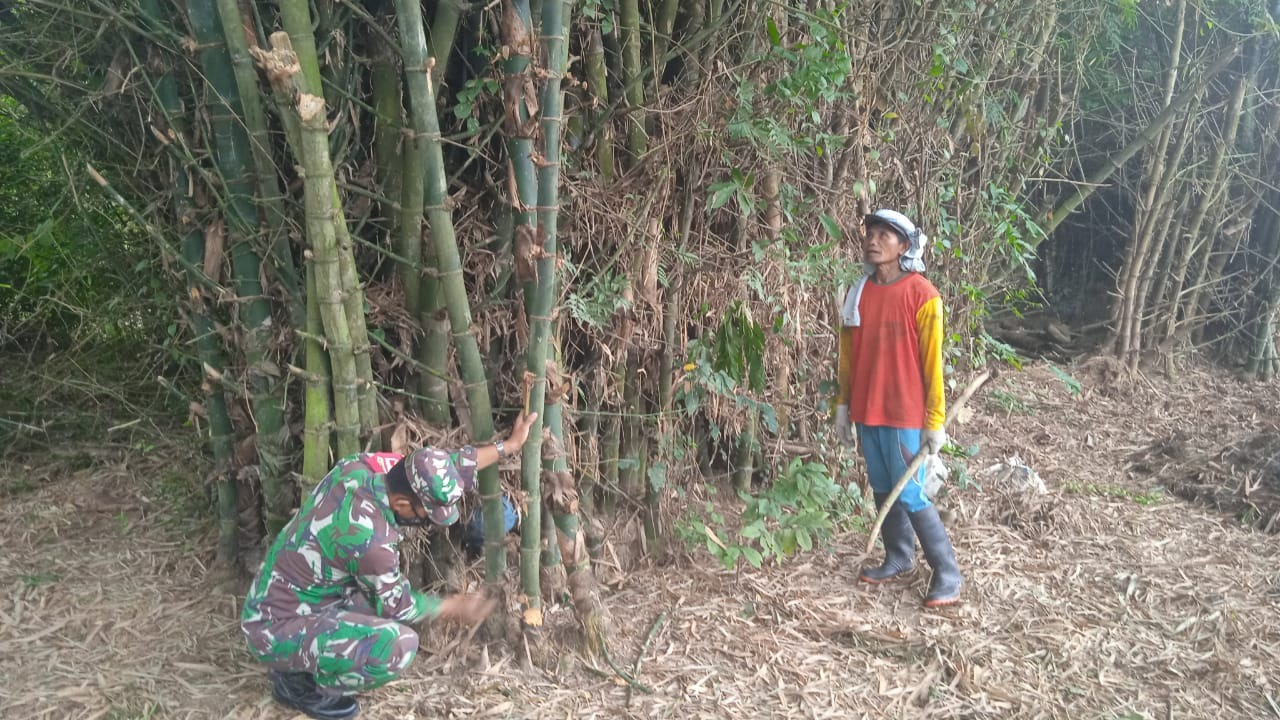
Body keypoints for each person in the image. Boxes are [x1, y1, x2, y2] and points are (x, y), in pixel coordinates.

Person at [240, 412, 538, 719]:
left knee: (371, 609)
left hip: (293, 594)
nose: (429, 523)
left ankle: (307, 660)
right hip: (275, 626)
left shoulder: (369, 467)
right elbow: (399, 606)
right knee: (398, 645)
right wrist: (453, 607)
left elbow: (450, 463)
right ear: (404, 506)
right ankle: (301, 684)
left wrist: (510, 446)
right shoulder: (370, 540)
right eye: (428, 515)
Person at [834, 209, 962, 608]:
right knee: (883, 487)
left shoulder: (922, 294)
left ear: (905, 246)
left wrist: (934, 420)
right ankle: (898, 557)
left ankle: (947, 573)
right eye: (870, 233)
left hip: (905, 412)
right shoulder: (858, 293)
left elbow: (932, 362)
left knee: (910, 494)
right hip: (867, 409)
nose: (873, 240)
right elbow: (847, 357)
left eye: (884, 235)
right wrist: (842, 404)